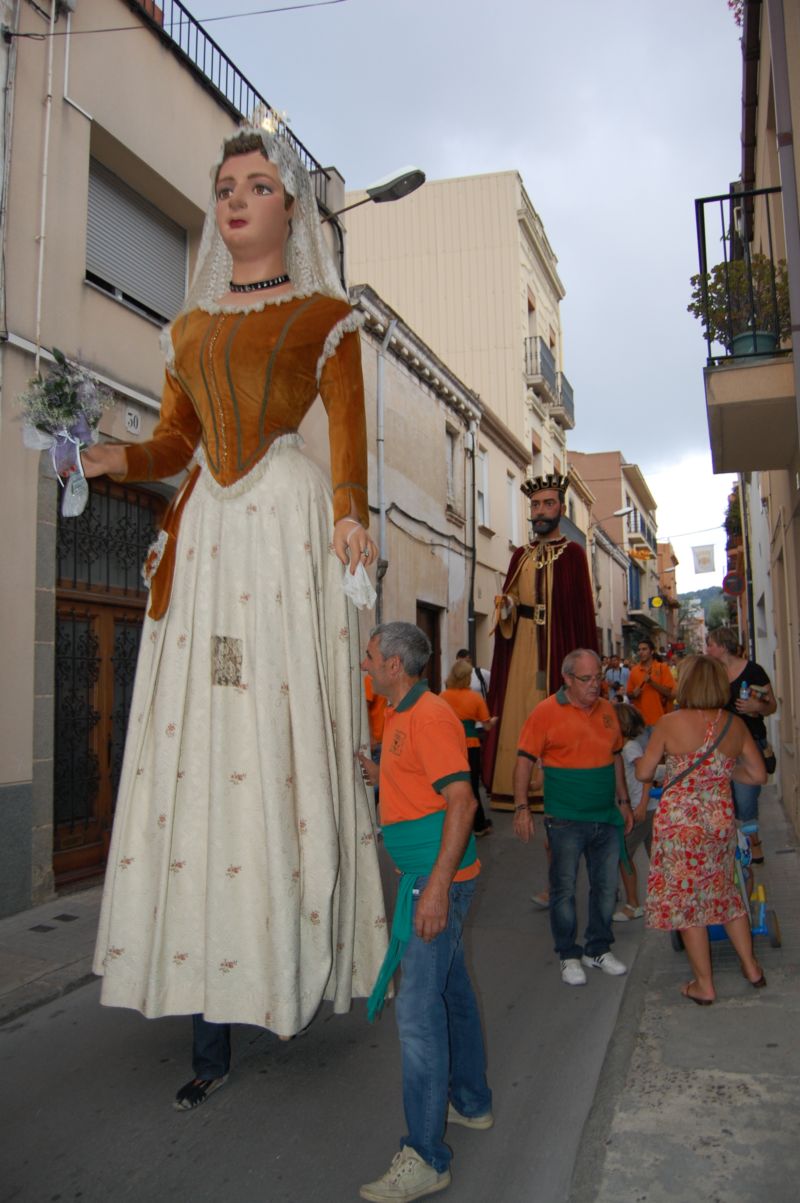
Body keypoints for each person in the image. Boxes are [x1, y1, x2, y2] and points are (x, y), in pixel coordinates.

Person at [84, 126, 388, 1108]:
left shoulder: (326, 318)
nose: (238, 199)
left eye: (258, 185)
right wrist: (116, 458)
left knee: (274, 738)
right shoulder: (188, 329)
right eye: (224, 188)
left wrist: (346, 516)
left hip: (279, 527)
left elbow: (347, 437)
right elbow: (176, 440)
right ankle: (206, 995)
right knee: (204, 752)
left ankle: (285, 962)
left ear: (288, 210)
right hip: (209, 535)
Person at [357, 623, 492, 1203]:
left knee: (416, 1015)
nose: (364, 662)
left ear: (392, 664)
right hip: (430, 876)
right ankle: (471, 1102)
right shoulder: (402, 711)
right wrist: (379, 774)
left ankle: (426, 1156)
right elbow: (423, 783)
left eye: (369, 655)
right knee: (452, 992)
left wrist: (436, 888)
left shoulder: (430, 715)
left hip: (434, 884)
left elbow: (461, 800)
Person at [637, 655, 767, 1004]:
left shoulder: (668, 723)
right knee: (726, 891)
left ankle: (704, 984)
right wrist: (720, 773)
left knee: (688, 904)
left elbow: (643, 773)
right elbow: (757, 775)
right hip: (719, 821)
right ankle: (751, 967)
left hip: (680, 826)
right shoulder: (734, 725)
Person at [512, 649, 633, 987]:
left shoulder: (608, 710)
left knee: (606, 888)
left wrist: (623, 800)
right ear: (567, 679)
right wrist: (522, 808)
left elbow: (616, 757)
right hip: (565, 819)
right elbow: (523, 760)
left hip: (606, 817)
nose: (595, 685)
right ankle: (568, 954)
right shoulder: (545, 712)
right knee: (564, 890)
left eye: (599, 677)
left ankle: (598, 948)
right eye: (586, 679)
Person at [482, 473, 598, 808]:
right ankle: (514, 788)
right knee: (520, 713)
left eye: (548, 504)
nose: (541, 511)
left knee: (558, 713)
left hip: (561, 647)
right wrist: (507, 605)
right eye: (535, 505)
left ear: (561, 508)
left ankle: (558, 786)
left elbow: (582, 611)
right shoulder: (521, 555)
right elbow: (512, 597)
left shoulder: (573, 554)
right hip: (522, 649)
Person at [706, 627, 777, 862]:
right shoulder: (713, 674)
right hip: (721, 746)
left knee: (746, 799)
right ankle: (732, 846)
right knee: (725, 798)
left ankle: (753, 843)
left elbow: (772, 705)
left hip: (750, 744)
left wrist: (757, 708)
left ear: (724, 646)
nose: (708, 649)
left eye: (711, 644)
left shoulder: (753, 671)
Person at [440, 659, 498, 836]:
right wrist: (495, 719)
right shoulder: (475, 698)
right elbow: (487, 726)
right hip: (470, 746)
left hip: (449, 745)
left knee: (448, 785)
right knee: (472, 786)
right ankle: (478, 825)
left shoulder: (442, 697)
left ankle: (449, 824)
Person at [612, 704, 656, 922]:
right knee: (656, 855)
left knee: (624, 855)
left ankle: (633, 904)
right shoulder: (626, 747)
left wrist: (640, 805)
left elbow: (646, 775)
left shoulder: (629, 748)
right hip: (646, 809)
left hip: (642, 810)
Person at [627, 638, 674, 730]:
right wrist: (633, 694)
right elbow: (629, 694)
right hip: (640, 722)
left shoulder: (662, 668)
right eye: (639, 650)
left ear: (652, 652)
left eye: (644, 649)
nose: (641, 652)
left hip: (659, 720)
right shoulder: (634, 670)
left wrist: (651, 683)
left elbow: (668, 692)